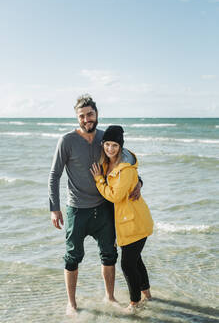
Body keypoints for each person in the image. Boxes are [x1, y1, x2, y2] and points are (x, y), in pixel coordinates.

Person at [48, 95, 141, 316]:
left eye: (90, 114)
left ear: (96, 114)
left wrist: (139, 182)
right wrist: (54, 208)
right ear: (77, 118)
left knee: (109, 255)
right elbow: (54, 175)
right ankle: (71, 302)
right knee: (72, 257)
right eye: (82, 116)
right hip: (77, 210)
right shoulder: (67, 141)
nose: (86, 119)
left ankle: (109, 297)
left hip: (104, 208)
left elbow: (127, 161)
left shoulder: (104, 138)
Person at [90, 125, 154, 313]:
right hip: (128, 221)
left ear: (120, 147)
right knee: (136, 261)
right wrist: (139, 181)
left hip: (134, 222)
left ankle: (134, 303)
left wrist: (99, 180)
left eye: (115, 145)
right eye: (107, 144)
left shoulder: (124, 168)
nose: (110, 149)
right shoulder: (107, 162)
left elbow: (115, 196)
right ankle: (147, 295)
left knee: (127, 264)